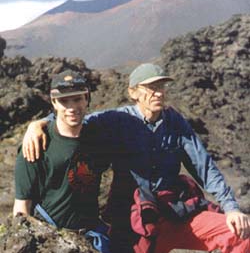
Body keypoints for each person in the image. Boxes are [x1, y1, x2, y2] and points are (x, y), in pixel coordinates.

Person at [22, 63, 250, 253]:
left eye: (161, 86)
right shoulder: (117, 120)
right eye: (150, 87)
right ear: (133, 93)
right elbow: (75, 117)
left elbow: (204, 167)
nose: (158, 92)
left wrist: (231, 208)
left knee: (239, 234)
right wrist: (40, 123)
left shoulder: (175, 122)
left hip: (175, 211)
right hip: (132, 220)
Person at [13, 70, 111, 253]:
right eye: (64, 101)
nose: (71, 107)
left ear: (87, 99)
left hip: (92, 238)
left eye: (77, 99)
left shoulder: (98, 138)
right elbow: (21, 209)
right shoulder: (36, 146)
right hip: (53, 241)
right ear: (54, 103)